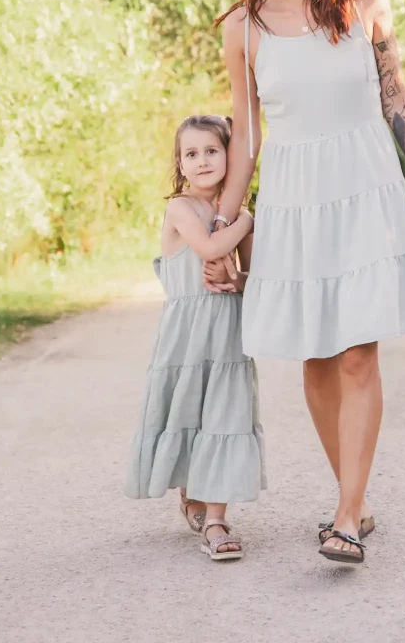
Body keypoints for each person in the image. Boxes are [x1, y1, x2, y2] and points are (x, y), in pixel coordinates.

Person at [207, 0, 405, 566]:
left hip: (365, 188)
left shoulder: (364, 1)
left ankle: (346, 514)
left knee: (356, 351)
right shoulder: (243, 28)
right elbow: (247, 138)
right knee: (315, 355)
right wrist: (221, 231)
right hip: (293, 198)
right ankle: (356, 496)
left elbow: (396, 97)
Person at [125, 114, 266, 562]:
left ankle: (218, 519)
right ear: (180, 164)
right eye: (191, 154)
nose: (202, 160)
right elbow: (207, 249)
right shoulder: (181, 209)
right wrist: (245, 221)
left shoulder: (236, 215)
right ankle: (193, 492)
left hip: (227, 335)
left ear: (230, 156)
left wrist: (239, 271)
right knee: (189, 414)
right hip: (186, 337)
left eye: (211, 150)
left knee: (225, 416)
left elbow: (253, 279)